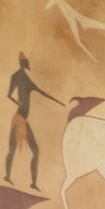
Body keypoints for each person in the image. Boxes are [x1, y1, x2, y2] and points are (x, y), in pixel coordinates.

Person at [5, 53, 63, 191]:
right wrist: (17, 102)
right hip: (19, 118)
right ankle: (8, 176)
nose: (26, 64)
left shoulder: (24, 78)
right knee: (15, 149)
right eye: (25, 62)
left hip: (22, 119)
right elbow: (9, 95)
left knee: (33, 151)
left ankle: (32, 182)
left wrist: (55, 100)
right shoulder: (18, 77)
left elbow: (41, 92)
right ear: (23, 63)